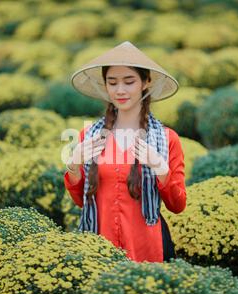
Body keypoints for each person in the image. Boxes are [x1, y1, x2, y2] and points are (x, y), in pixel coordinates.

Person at [64, 41, 186, 263]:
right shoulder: (89, 136)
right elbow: (82, 201)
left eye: (129, 82)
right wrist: (73, 164)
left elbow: (177, 206)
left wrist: (160, 167)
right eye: (112, 82)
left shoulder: (167, 139)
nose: (120, 90)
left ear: (146, 82)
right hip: (99, 249)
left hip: (149, 249)